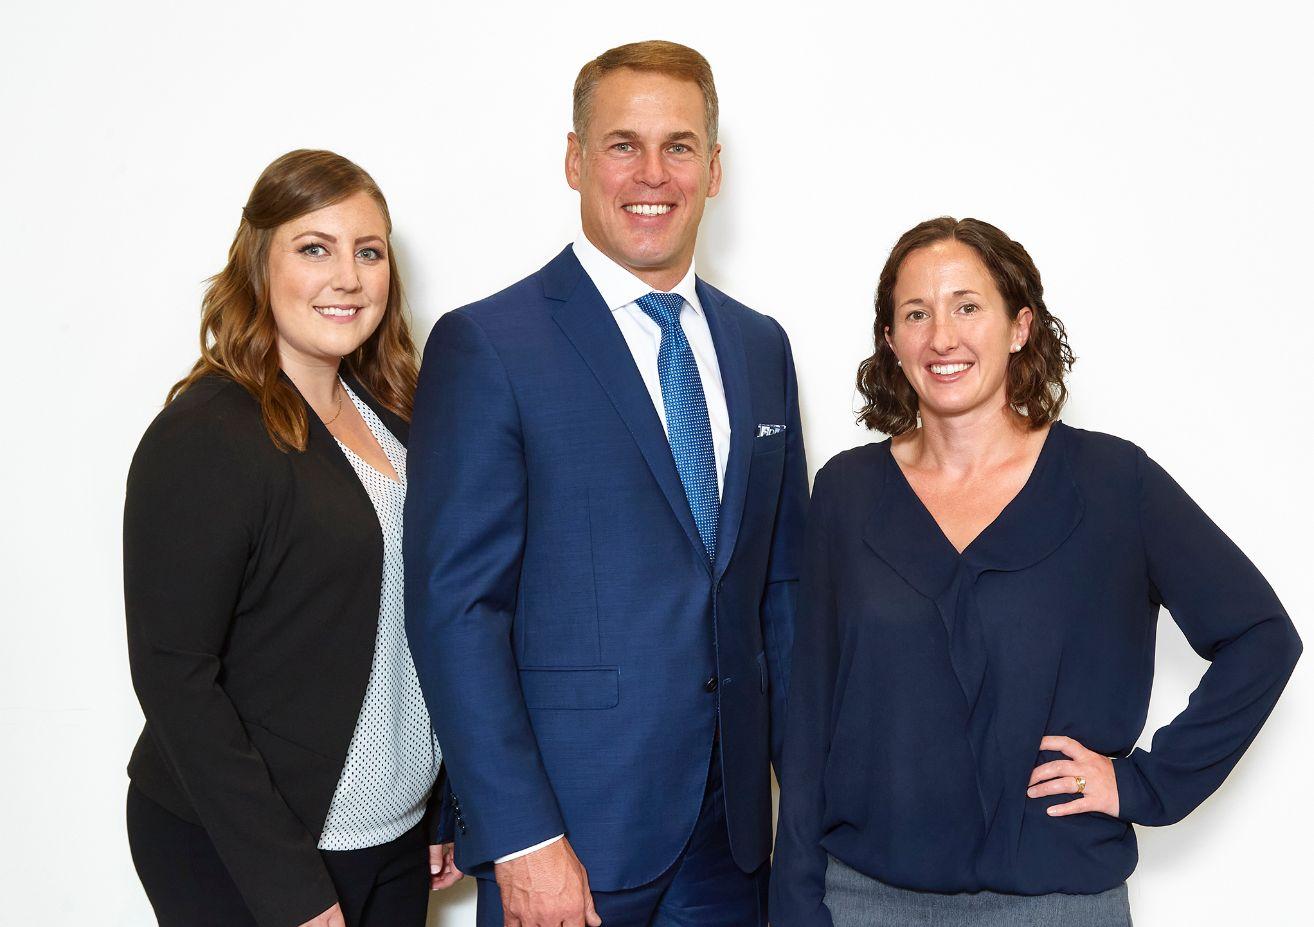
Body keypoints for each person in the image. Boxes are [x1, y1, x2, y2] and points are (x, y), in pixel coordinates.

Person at [770, 216, 1301, 926]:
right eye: (917, 313)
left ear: (1019, 327)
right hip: (865, 899)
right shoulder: (847, 492)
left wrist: (1145, 784)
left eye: (967, 306)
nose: (942, 337)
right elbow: (809, 717)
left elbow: (1261, 636)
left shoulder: (1112, 484)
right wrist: (795, 902)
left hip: (1056, 903)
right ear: (892, 341)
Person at [404, 40, 808, 927]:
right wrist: (521, 838)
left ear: (714, 169)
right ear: (575, 159)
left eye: (679, 146)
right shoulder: (490, 346)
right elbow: (455, 611)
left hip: (733, 839)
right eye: (624, 144)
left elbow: (780, 593)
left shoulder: (759, 346)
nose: (652, 174)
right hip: (570, 840)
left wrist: (806, 814)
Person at [123, 149, 463, 927]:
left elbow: (428, 621)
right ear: (259, 264)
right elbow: (175, 676)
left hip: (393, 840)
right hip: (252, 852)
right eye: (315, 248)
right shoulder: (205, 435)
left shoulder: (400, 415)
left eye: (368, 252)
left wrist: (441, 804)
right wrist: (292, 893)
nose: (348, 277)